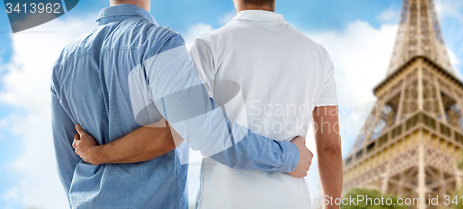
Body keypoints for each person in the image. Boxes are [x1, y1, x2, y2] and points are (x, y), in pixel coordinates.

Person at [51, 0, 313, 208]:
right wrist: (289, 157)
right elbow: (202, 132)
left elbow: (68, 163)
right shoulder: (158, 43)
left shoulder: (63, 62)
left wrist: (95, 159)